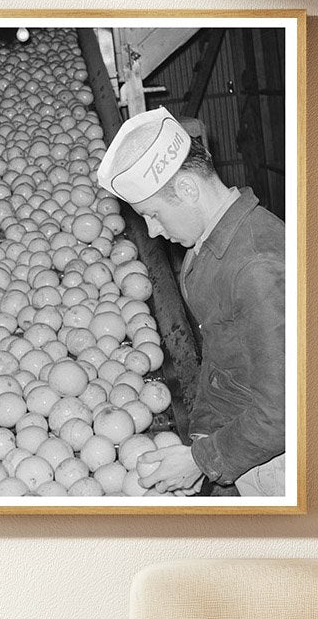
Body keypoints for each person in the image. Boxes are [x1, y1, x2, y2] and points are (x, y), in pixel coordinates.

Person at [97, 107, 286, 497]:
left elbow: (286, 409)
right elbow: (227, 360)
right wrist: (201, 437)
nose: (151, 230)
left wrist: (203, 460)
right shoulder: (209, 246)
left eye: (152, 215)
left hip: (276, 463)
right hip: (240, 442)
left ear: (186, 189)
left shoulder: (256, 265)